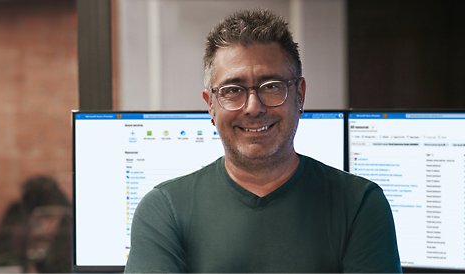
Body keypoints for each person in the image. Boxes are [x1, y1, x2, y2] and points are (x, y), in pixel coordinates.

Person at [125, 9, 401, 273]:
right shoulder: (164, 210)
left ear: (300, 96)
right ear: (211, 105)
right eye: (233, 90)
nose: (253, 107)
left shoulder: (359, 205)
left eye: (271, 87)